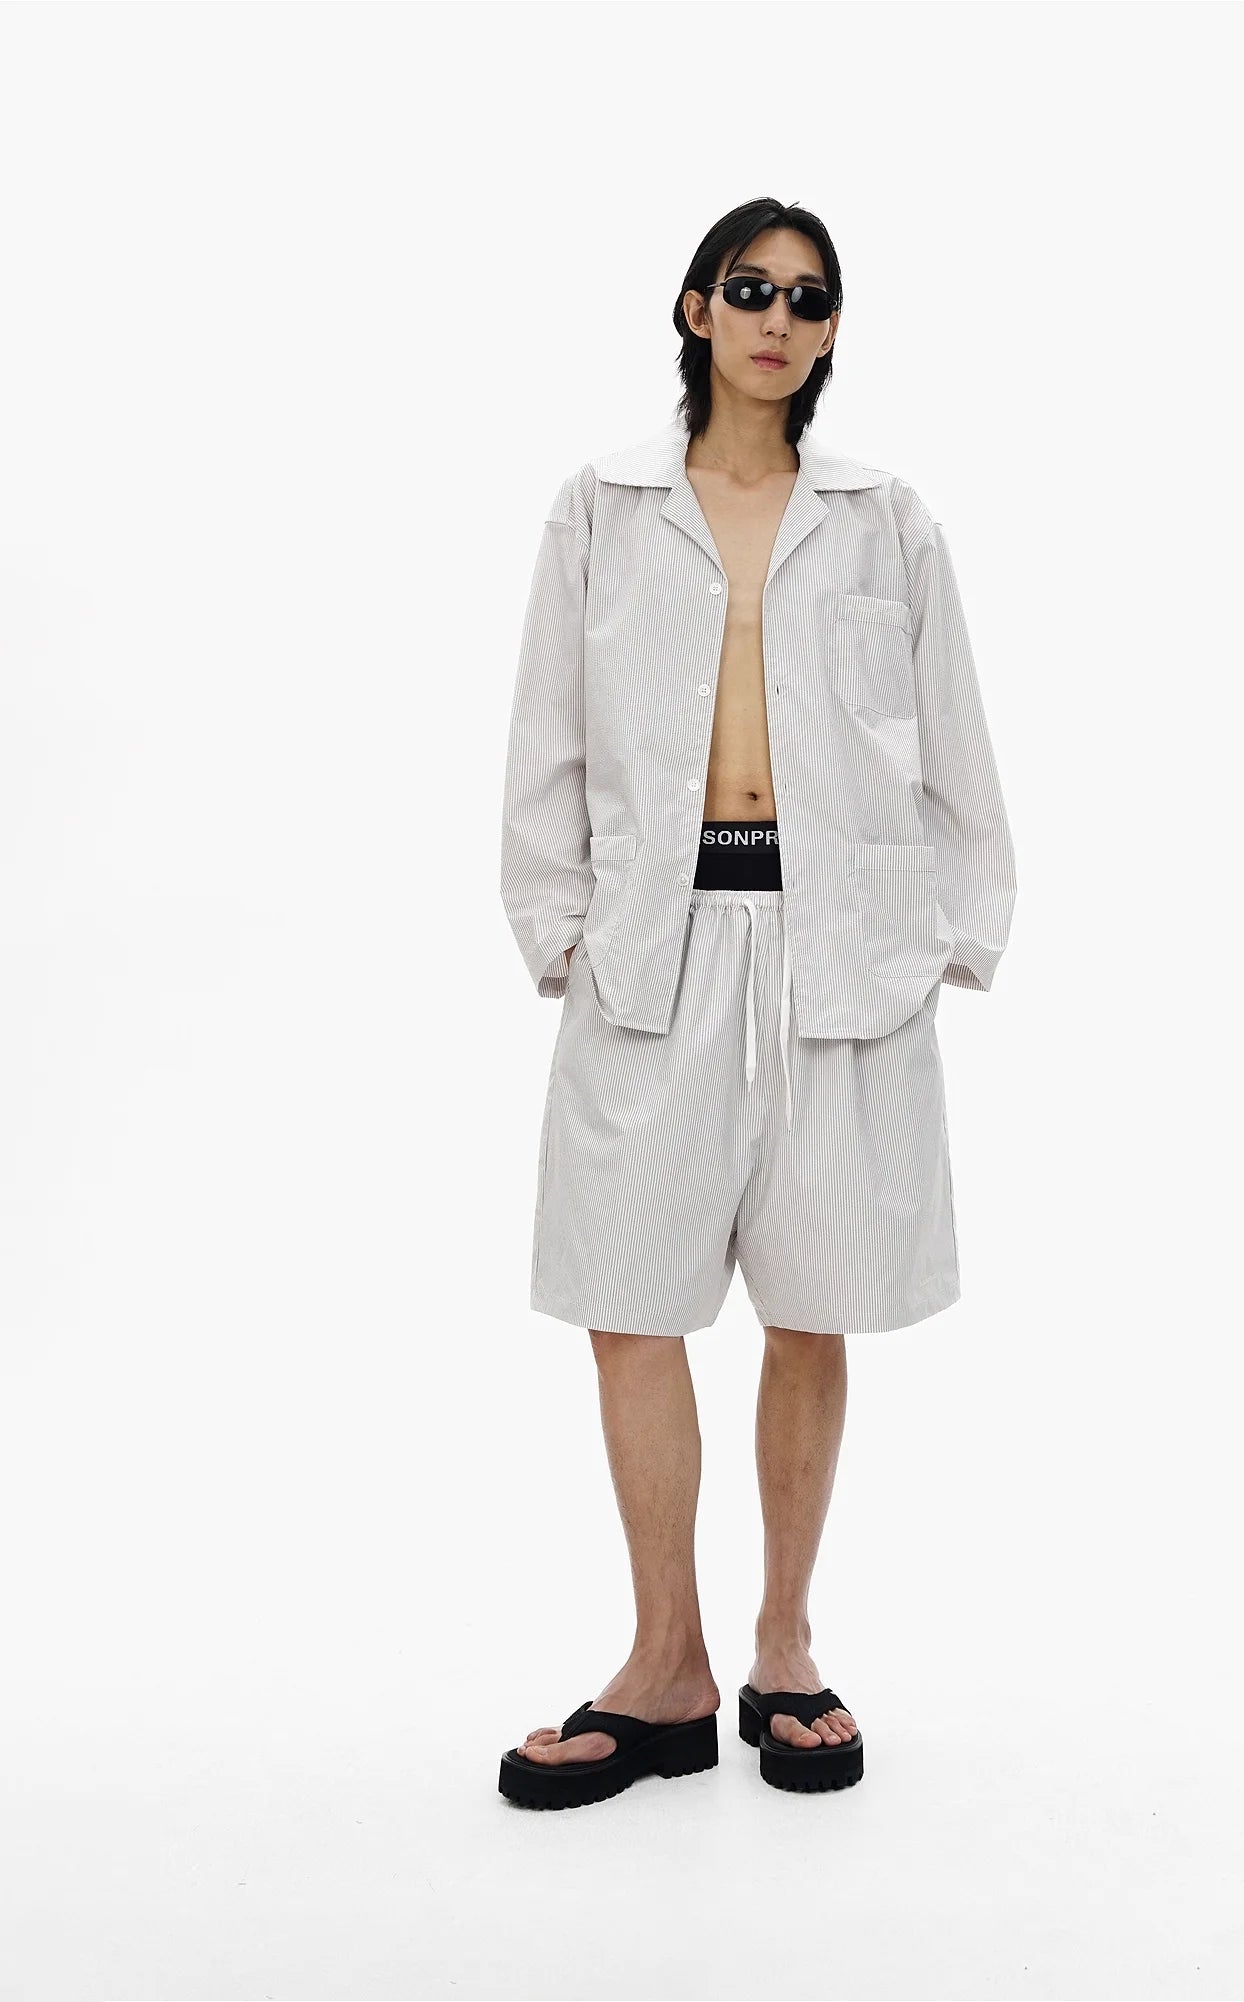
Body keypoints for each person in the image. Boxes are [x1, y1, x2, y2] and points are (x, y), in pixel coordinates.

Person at [497, 198, 1018, 1809]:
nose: (778, 318)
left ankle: (785, 1647)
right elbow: (546, 736)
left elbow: (954, 733)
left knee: (815, 1296)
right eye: (751, 289)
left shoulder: (883, 519)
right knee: (627, 1296)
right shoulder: (603, 506)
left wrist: (945, 935)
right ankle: (666, 1662)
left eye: (808, 297)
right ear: (697, 307)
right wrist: (563, 932)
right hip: (653, 943)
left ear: (832, 328)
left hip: (835, 944)